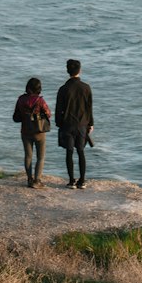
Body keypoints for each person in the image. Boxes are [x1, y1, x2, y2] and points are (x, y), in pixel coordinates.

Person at [55, 58, 93, 189]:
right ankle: (82, 181)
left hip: (67, 125)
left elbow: (58, 109)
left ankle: (71, 181)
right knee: (81, 151)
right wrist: (90, 124)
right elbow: (89, 108)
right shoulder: (86, 88)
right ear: (79, 70)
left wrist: (59, 123)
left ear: (67, 71)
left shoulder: (63, 89)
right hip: (82, 124)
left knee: (69, 152)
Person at [12, 76, 51, 188]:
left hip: (25, 131)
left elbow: (16, 116)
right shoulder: (40, 100)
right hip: (39, 132)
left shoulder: (21, 99)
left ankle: (29, 179)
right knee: (40, 157)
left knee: (28, 156)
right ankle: (37, 181)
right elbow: (48, 114)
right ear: (38, 88)